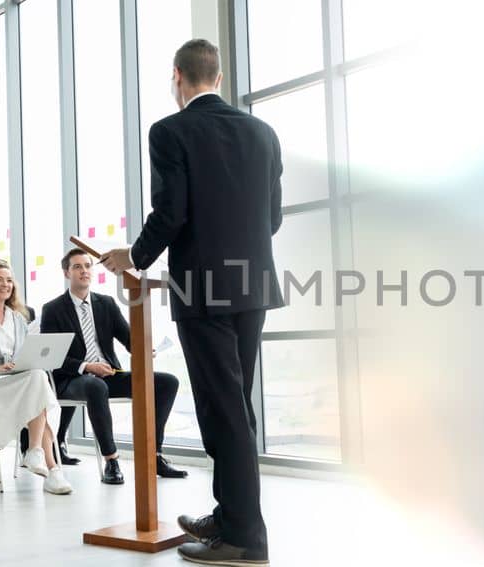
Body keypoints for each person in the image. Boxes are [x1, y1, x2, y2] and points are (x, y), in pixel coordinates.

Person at [99, 38, 283, 565]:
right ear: (218, 78)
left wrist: (133, 256)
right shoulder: (263, 133)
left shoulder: (170, 131)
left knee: (221, 410)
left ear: (176, 76)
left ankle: (246, 539)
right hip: (252, 286)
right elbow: (272, 219)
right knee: (235, 406)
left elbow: (172, 213)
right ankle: (229, 516)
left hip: (201, 288)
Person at [39, 248, 186, 484]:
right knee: (96, 386)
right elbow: (51, 359)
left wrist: (145, 348)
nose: (84, 271)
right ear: (67, 273)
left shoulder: (106, 304)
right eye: (77, 267)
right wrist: (87, 366)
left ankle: (154, 455)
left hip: (109, 374)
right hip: (72, 379)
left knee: (167, 382)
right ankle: (112, 460)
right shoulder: (53, 309)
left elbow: (129, 339)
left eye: (88, 266)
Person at [0, 260, 70, 495]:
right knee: (41, 392)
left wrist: (29, 361)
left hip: (15, 379)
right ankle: (50, 467)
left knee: (38, 377)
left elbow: (24, 352)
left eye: (9, 280)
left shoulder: (18, 318)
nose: (5, 284)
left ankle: (40, 455)